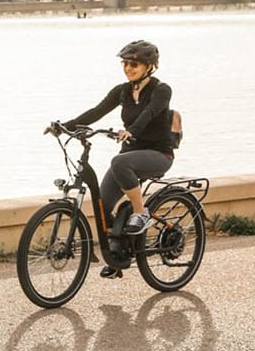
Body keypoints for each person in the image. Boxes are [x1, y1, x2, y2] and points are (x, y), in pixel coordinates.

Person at [48, 40, 177, 251]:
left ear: (149, 66)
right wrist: (64, 126)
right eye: (125, 64)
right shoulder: (122, 91)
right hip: (130, 155)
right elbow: (96, 112)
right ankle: (120, 253)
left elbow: (150, 112)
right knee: (102, 206)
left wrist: (131, 131)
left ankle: (141, 213)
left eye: (133, 65)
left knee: (119, 161)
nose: (128, 68)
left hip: (158, 154)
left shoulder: (161, 90)